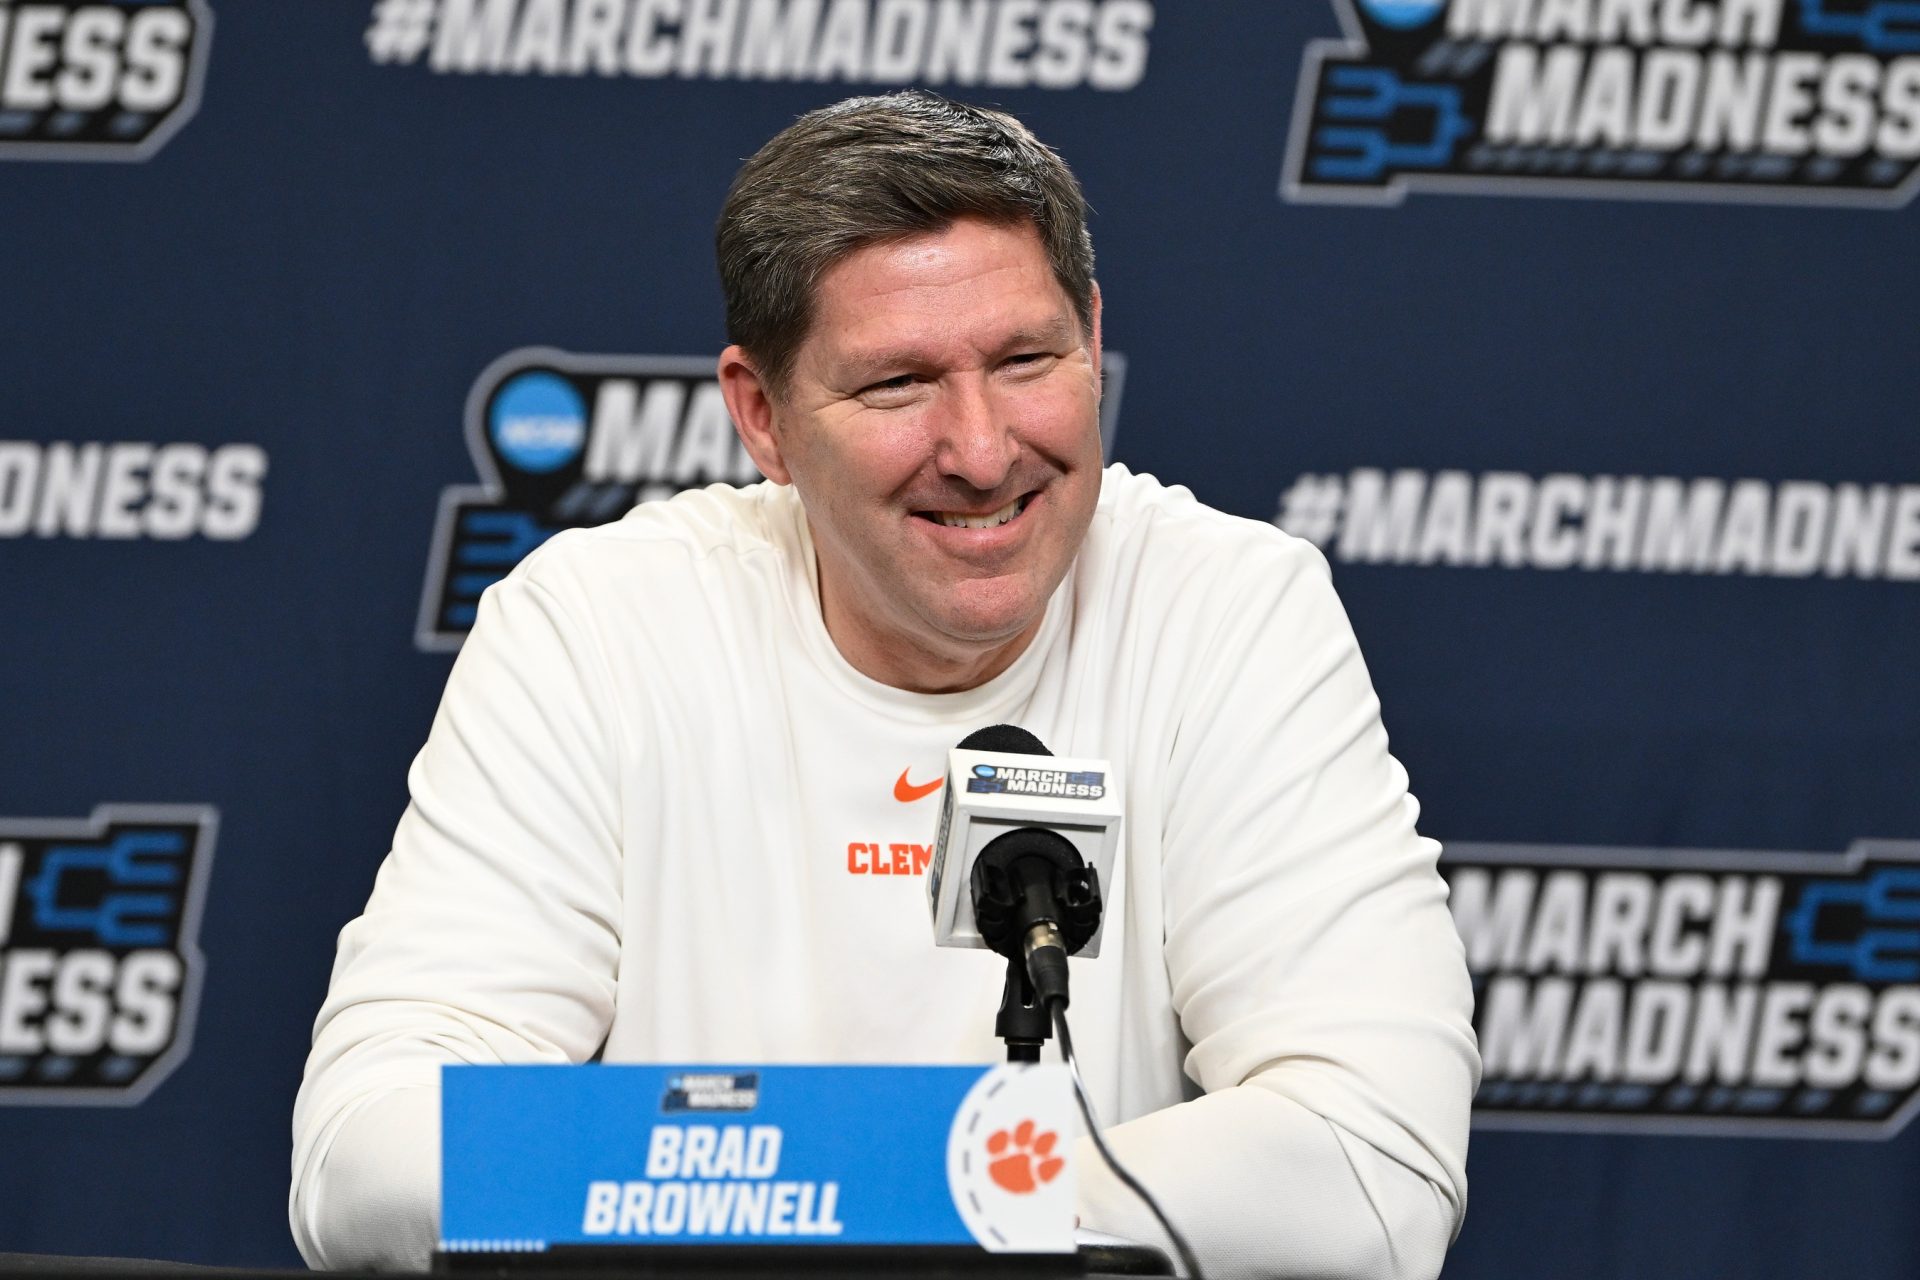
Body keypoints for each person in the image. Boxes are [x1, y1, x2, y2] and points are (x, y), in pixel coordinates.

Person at [291, 92, 1477, 1279]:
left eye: (1025, 360)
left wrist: (830, 1178)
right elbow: (367, 1152)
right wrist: (920, 1182)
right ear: (762, 416)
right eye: (898, 385)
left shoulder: (1228, 610)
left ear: (1095, 336)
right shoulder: (599, 622)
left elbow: (1376, 1164)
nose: (980, 447)